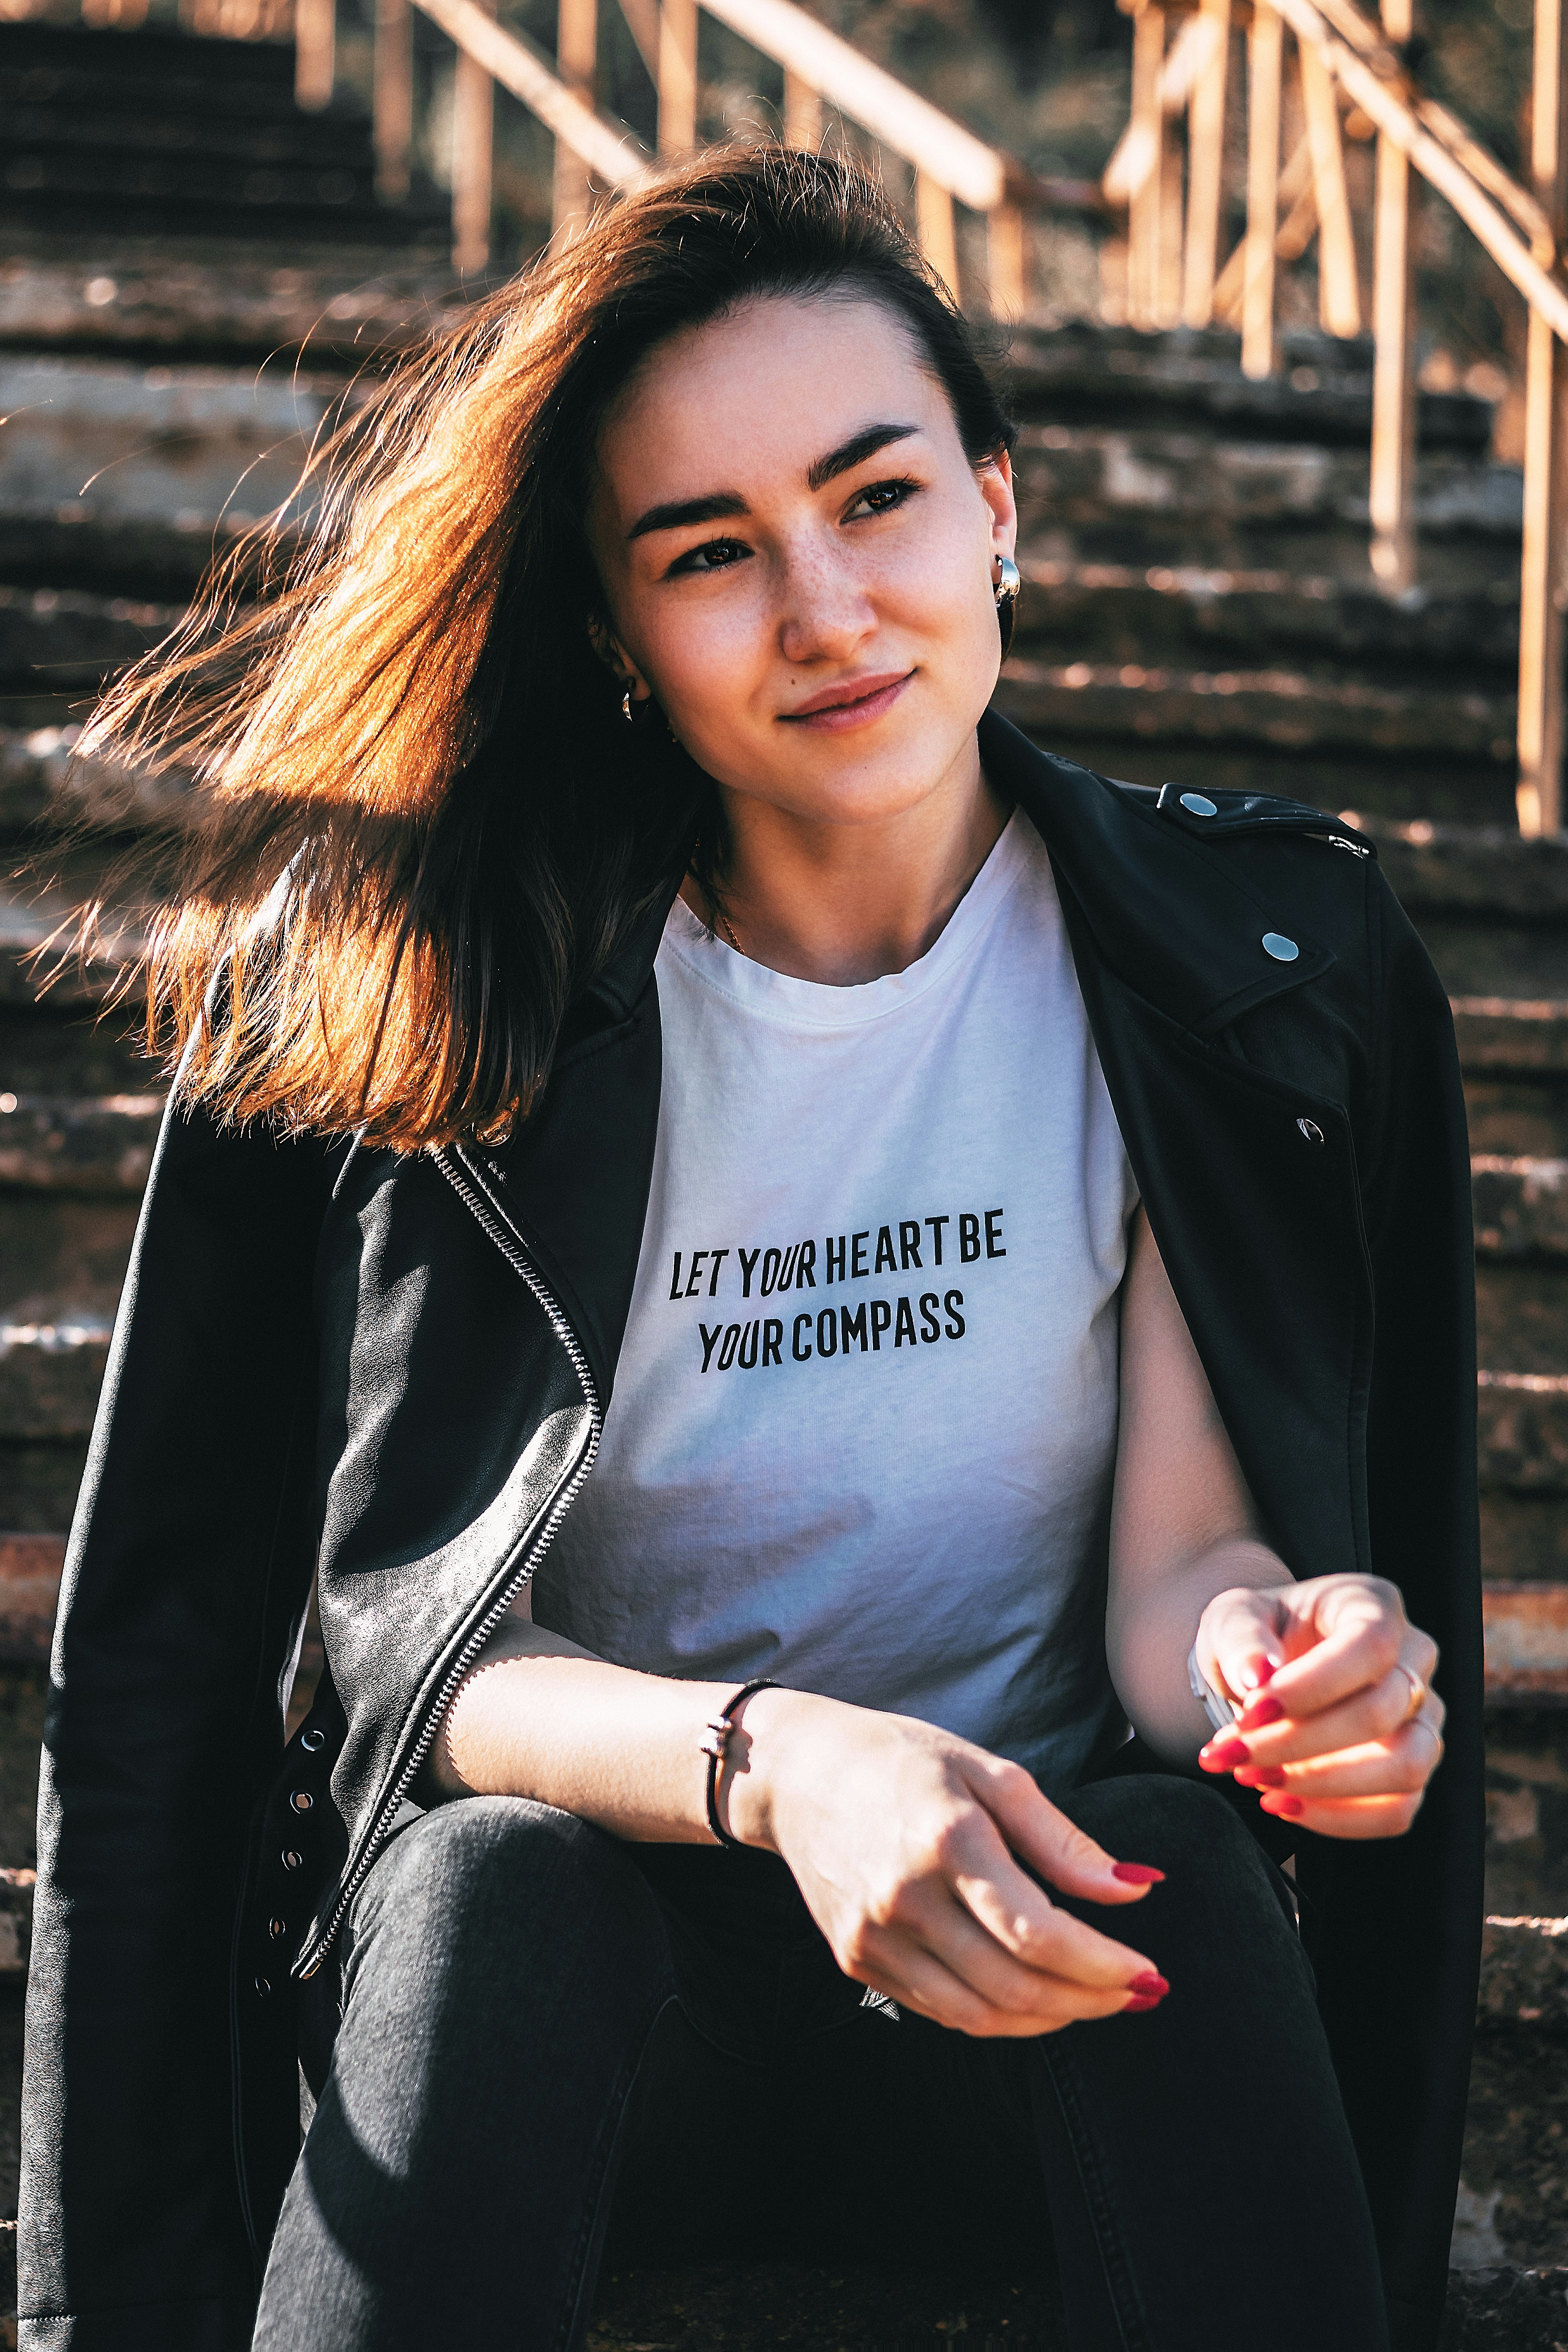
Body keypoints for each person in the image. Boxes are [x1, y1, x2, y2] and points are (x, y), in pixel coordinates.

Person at [20, 145, 1479, 2352]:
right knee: (496, 1894)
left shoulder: (1247, 971)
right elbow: (400, 1666)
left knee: (1175, 1858)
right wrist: (792, 1757)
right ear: (616, 628)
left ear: (997, 504)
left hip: (1046, 1986)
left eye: (874, 495)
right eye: (711, 551)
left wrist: (1296, 1671)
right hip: (575, 2011)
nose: (824, 607)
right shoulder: (431, 999)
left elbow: (1186, 1570)